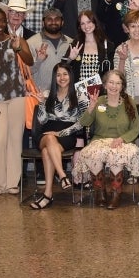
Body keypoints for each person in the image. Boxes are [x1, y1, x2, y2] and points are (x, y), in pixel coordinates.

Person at [0, 6, 34, 196]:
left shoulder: (17, 41)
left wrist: (18, 47)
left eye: (2, 20)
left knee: (15, 140)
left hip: (17, 96)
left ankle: (12, 183)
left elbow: (30, 61)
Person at [73, 70, 139, 209]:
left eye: (118, 83)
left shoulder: (129, 102)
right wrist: (91, 108)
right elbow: (84, 122)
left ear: (122, 86)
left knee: (116, 154)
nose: (114, 86)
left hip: (123, 141)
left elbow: (135, 129)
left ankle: (116, 194)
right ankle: (100, 192)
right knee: (94, 154)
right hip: (100, 140)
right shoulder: (97, 101)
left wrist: (122, 139)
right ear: (104, 84)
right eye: (111, 82)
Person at [28, 61, 88, 209]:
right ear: (54, 77)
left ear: (70, 76)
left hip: (67, 135)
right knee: (49, 138)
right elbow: (41, 120)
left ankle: (47, 195)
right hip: (45, 133)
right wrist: (41, 102)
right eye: (58, 75)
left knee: (47, 151)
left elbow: (82, 122)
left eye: (65, 74)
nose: (62, 77)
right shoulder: (49, 94)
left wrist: (60, 133)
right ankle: (62, 175)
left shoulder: (80, 95)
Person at [27, 8, 74, 92]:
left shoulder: (70, 43)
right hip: (40, 96)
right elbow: (26, 72)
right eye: (49, 19)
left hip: (65, 96)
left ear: (62, 22)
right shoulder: (31, 43)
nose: (53, 22)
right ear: (43, 22)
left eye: (57, 19)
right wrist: (39, 61)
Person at [67, 10, 115, 84]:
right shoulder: (76, 44)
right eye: (82, 23)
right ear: (79, 26)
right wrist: (70, 58)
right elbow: (63, 66)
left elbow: (111, 71)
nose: (86, 26)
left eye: (89, 22)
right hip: (79, 91)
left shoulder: (107, 45)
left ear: (95, 22)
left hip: (100, 91)